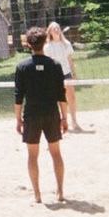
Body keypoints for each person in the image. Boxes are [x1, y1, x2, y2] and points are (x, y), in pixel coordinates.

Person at [14, 26, 68, 204]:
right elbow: (62, 95)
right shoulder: (55, 65)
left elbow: (18, 97)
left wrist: (18, 120)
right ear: (45, 42)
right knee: (56, 153)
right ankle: (60, 191)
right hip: (51, 113)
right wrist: (65, 118)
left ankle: (37, 194)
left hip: (32, 115)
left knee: (32, 156)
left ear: (29, 44)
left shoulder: (22, 67)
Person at [44, 22, 82, 131]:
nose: (56, 30)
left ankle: (74, 122)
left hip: (67, 74)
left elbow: (70, 60)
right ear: (50, 32)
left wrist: (74, 73)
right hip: (54, 76)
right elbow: (47, 63)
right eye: (54, 28)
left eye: (58, 28)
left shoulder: (66, 44)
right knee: (61, 100)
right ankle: (62, 122)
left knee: (72, 98)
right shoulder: (47, 47)